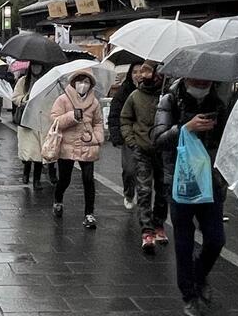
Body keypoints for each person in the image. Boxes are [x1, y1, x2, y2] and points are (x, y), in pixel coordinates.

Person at [154, 75, 230, 316]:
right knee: (184, 243)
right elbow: (158, 140)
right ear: (187, 77)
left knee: (216, 239)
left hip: (210, 181)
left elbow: (227, 141)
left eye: (206, 80)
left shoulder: (219, 103)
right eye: (196, 80)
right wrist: (186, 128)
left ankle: (199, 275)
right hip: (180, 181)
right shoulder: (170, 100)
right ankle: (189, 296)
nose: (201, 84)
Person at [45, 69, 106, 228]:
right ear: (74, 83)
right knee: (65, 179)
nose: (83, 85)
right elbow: (54, 120)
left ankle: (89, 214)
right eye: (80, 81)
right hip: (68, 145)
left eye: (86, 82)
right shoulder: (63, 100)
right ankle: (58, 199)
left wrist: (98, 137)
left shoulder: (94, 103)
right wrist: (72, 116)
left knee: (88, 179)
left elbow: (98, 122)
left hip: (88, 143)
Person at [118, 61, 166, 254]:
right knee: (144, 190)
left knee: (163, 190)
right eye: (141, 73)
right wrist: (131, 140)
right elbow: (125, 119)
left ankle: (159, 224)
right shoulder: (135, 96)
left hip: (163, 150)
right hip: (142, 149)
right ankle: (147, 229)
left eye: (148, 72)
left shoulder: (167, 96)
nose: (143, 76)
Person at [107, 64, 138, 212]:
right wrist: (117, 136)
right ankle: (129, 193)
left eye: (141, 71)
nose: (138, 75)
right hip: (129, 136)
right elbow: (114, 114)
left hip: (149, 137)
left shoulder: (156, 91)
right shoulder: (124, 92)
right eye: (135, 72)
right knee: (130, 169)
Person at [13, 65, 45, 187]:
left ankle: (37, 180)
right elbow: (15, 97)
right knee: (28, 151)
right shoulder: (23, 81)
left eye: (39, 66)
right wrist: (24, 99)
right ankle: (26, 173)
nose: (37, 69)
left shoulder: (45, 81)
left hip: (40, 119)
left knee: (39, 152)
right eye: (35, 66)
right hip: (26, 120)